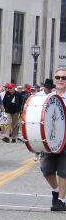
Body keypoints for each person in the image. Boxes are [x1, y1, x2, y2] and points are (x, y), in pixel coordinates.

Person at [41, 69, 66, 211]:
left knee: (63, 171)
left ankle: (61, 200)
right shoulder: (48, 97)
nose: (60, 79)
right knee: (46, 169)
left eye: (64, 77)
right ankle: (56, 191)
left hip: (65, 139)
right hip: (50, 140)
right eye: (58, 77)